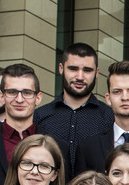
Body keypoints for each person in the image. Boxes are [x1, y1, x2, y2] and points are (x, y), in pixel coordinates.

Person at [34, 42, 112, 172]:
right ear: (61, 68)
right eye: (73, 69)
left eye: (87, 70)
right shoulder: (40, 116)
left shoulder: (110, 118)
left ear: (97, 72)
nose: (80, 77)